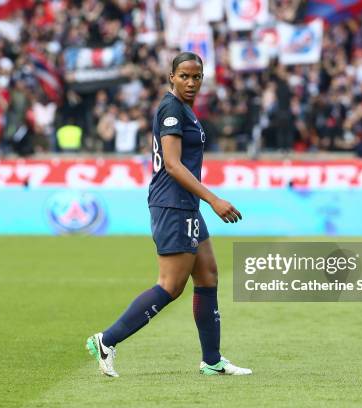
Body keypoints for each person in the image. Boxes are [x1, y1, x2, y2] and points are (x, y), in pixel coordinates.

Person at [86, 52, 252, 377]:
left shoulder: (184, 110)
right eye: (185, 76)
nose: (191, 82)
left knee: (208, 277)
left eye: (197, 76)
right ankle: (107, 339)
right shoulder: (172, 110)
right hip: (173, 204)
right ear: (171, 77)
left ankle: (212, 359)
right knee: (171, 285)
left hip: (185, 204)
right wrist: (213, 200)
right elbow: (173, 164)